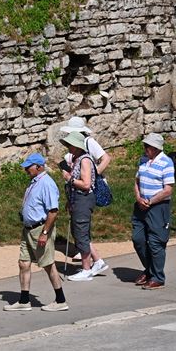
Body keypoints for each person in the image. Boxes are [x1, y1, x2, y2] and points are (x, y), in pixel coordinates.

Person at [4, 153, 68, 312]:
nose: (26, 169)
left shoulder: (47, 183)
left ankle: (61, 300)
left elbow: (53, 211)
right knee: (23, 263)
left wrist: (45, 233)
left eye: (29, 166)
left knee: (47, 264)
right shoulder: (35, 182)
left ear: (38, 167)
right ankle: (24, 300)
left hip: (40, 229)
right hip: (28, 229)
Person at [60, 116, 111, 272]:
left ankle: (88, 265)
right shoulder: (77, 153)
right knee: (80, 230)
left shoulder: (88, 144)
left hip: (84, 191)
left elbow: (105, 158)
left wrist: (90, 175)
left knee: (81, 230)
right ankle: (94, 260)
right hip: (77, 192)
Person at [132, 133, 175, 290]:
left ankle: (158, 277)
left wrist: (150, 201)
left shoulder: (166, 163)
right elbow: (136, 182)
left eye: (147, 147)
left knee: (156, 242)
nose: (145, 149)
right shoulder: (143, 161)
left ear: (156, 148)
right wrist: (138, 197)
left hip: (157, 207)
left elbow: (168, 190)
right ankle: (150, 270)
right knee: (138, 239)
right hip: (140, 206)